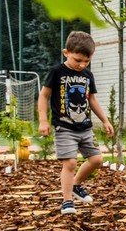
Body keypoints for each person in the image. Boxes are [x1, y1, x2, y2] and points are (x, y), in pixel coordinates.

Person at [37, 31, 114, 215]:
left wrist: (105, 120)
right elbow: (44, 95)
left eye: (86, 61)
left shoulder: (88, 75)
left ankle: (76, 184)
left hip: (85, 127)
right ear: (66, 52)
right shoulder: (57, 72)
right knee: (70, 163)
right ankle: (67, 201)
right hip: (64, 127)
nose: (82, 65)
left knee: (96, 160)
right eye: (77, 60)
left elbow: (92, 100)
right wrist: (43, 120)